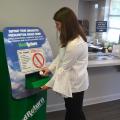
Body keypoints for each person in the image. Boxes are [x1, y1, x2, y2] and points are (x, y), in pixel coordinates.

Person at [40, 7, 89, 120]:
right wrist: (50, 68)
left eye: (58, 24)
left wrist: (49, 84)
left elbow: (64, 68)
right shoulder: (68, 38)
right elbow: (60, 57)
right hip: (69, 81)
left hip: (75, 84)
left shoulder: (75, 44)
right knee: (71, 110)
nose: (56, 27)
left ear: (67, 24)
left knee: (75, 111)